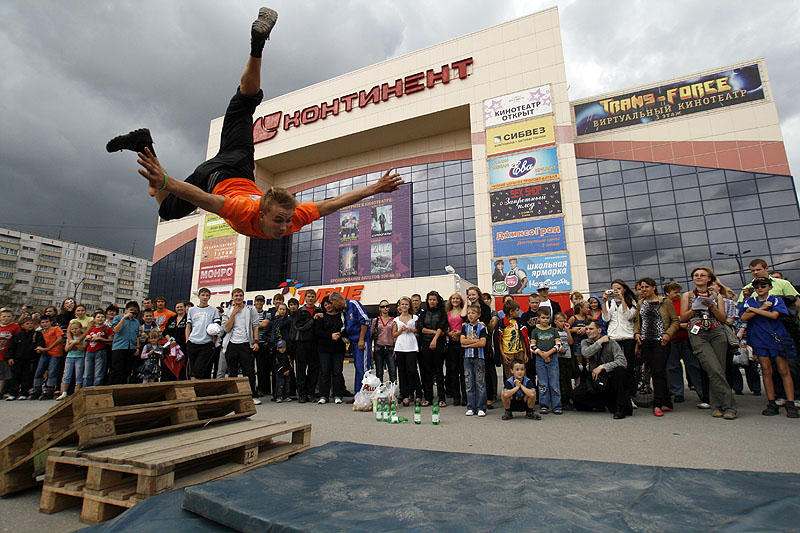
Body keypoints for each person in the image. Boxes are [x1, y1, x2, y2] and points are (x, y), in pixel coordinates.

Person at [108, 8, 403, 240]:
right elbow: (201, 197)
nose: (285, 226)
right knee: (167, 209)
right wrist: (164, 181)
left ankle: (145, 148)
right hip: (218, 174)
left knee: (168, 206)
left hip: (238, 164)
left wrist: (375, 189)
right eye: (279, 221)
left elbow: (329, 205)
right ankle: (257, 44)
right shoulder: (242, 210)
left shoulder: (291, 215)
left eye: (286, 221)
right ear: (261, 213)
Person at [680, 267, 736, 420]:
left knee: (720, 369)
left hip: (716, 332)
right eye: (696, 275)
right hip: (698, 333)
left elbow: (723, 318)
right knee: (712, 367)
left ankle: (716, 405)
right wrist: (694, 308)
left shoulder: (716, 295)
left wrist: (713, 307)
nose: (699, 277)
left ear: (709, 279)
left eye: (702, 275)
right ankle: (729, 405)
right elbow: (683, 317)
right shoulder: (688, 295)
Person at [740, 276, 799, 418]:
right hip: (759, 339)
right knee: (766, 370)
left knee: (784, 370)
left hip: (777, 337)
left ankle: (790, 403)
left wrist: (754, 310)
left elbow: (774, 315)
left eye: (763, 286)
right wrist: (762, 308)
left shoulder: (775, 299)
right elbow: (743, 317)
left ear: (769, 287)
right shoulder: (749, 301)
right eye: (757, 286)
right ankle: (771, 402)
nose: (760, 289)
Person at [634, 277, 679, 417]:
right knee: (654, 370)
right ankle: (666, 401)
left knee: (659, 370)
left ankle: (657, 403)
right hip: (647, 341)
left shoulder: (664, 302)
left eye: (646, 287)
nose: (643, 289)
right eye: (641, 287)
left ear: (653, 287)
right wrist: (637, 333)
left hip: (662, 341)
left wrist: (668, 334)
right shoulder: (641, 303)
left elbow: (675, 321)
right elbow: (637, 321)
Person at [663, 282, 709, 408]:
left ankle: (703, 393)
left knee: (693, 365)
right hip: (672, 340)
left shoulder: (685, 303)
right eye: (675, 292)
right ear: (667, 293)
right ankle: (677, 392)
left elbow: (688, 318)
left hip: (687, 339)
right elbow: (666, 321)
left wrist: (678, 323)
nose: (678, 294)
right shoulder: (664, 304)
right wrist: (679, 323)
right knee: (673, 367)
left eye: (679, 292)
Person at [572, 320, 630, 419]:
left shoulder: (611, 343)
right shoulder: (585, 342)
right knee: (576, 396)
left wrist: (603, 367)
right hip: (595, 379)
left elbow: (622, 361)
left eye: (591, 329)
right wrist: (600, 341)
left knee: (620, 370)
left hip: (610, 378)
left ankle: (621, 408)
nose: (588, 331)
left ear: (599, 330)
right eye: (586, 329)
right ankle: (599, 403)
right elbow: (586, 353)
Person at [222, 288, 261, 405]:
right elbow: (226, 328)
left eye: (240, 295)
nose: (238, 297)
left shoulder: (250, 310)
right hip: (232, 344)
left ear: (243, 297)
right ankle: (234, 396)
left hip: (245, 343)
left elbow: (255, 326)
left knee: (249, 371)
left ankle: (252, 395)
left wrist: (256, 342)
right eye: (236, 295)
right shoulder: (227, 312)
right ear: (232, 297)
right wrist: (233, 314)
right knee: (232, 372)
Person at [602, 279, 637, 407]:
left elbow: (629, 316)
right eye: (614, 289)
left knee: (628, 367)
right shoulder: (611, 302)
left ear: (624, 289)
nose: (616, 291)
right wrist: (604, 301)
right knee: (614, 367)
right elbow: (606, 318)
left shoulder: (631, 301)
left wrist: (622, 299)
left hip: (627, 337)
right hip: (613, 337)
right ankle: (615, 395)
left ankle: (629, 396)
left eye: (618, 288)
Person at [329, 291, 370, 393]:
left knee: (363, 369)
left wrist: (361, 339)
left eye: (332, 303)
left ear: (336, 300)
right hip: (354, 341)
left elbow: (365, 321)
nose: (333, 306)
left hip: (361, 341)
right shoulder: (344, 311)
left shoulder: (354, 304)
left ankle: (365, 395)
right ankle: (358, 395)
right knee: (358, 368)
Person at [464, 286, 498, 408]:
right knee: (471, 374)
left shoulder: (485, 308)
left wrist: (471, 325)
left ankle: (489, 397)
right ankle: (473, 400)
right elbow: (464, 318)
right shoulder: (468, 308)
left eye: (473, 294)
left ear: (478, 295)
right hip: (471, 345)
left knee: (486, 371)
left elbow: (483, 324)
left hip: (483, 342)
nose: (471, 297)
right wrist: (465, 301)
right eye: (469, 295)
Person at [417, 291, 448, 407]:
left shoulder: (442, 313)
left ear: (438, 300)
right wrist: (436, 332)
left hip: (438, 344)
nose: (432, 301)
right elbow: (421, 329)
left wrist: (435, 339)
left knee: (439, 371)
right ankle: (428, 397)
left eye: (434, 299)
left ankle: (441, 398)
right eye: (430, 299)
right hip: (425, 344)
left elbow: (442, 326)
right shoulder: (424, 313)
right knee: (427, 372)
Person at [315, 296, 346, 405]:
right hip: (324, 348)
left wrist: (340, 334)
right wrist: (330, 335)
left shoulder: (341, 316)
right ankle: (324, 395)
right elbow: (317, 332)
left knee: (337, 372)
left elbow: (346, 329)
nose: (328, 306)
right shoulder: (321, 317)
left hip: (338, 348)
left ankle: (337, 395)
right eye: (325, 304)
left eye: (329, 303)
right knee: (325, 372)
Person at [530, 309, 562, 415]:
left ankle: (557, 405)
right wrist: (542, 354)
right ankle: (544, 405)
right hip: (540, 359)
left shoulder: (553, 331)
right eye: (543, 318)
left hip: (552, 358)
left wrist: (548, 353)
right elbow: (532, 346)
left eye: (547, 318)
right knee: (543, 383)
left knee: (554, 383)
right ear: (538, 318)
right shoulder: (535, 331)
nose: (545, 320)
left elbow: (558, 345)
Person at [292, 289, 321, 403]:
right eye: (308, 296)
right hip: (302, 343)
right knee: (300, 369)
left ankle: (311, 393)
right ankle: (302, 394)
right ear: (305, 298)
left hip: (315, 344)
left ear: (315, 298)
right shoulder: (300, 312)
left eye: (312, 296)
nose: (310, 298)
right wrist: (312, 321)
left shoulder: (319, 310)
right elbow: (299, 327)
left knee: (313, 370)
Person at [186, 288, 221, 380]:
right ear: (199, 296)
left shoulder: (213, 310)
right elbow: (188, 326)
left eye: (207, 295)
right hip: (193, 342)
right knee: (192, 369)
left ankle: (197, 389)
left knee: (199, 369)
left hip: (206, 343)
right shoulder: (192, 310)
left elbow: (216, 327)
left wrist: (213, 342)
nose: (205, 297)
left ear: (209, 297)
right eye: (203, 295)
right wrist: (187, 340)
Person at [460, 303, 489, 417]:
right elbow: (462, 341)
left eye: (473, 313)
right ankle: (470, 406)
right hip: (467, 358)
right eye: (469, 313)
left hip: (479, 358)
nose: (471, 315)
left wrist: (468, 343)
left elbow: (482, 343)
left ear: (478, 315)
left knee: (480, 382)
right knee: (469, 382)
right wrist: (473, 342)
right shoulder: (464, 327)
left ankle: (481, 407)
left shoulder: (482, 327)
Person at [6, 317, 43, 400]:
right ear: (22, 325)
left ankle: (24, 393)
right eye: (27, 324)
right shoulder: (17, 335)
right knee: (15, 377)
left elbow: (40, 343)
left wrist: (39, 347)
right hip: (17, 359)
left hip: (30, 360)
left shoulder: (37, 334)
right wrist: (10, 357)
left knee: (26, 377)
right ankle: (13, 393)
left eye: (31, 323)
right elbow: (12, 347)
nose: (30, 325)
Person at [393, 297, 421, 407]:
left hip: (411, 346)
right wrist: (401, 331)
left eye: (406, 304)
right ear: (399, 306)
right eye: (402, 304)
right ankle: (405, 395)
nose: (404, 306)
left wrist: (411, 330)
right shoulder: (396, 319)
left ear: (409, 306)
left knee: (413, 370)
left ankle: (418, 392)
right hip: (400, 347)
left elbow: (419, 330)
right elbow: (393, 334)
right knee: (402, 371)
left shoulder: (415, 318)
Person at [31, 315, 64, 400]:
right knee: (39, 370)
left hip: (55, 353)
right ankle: (37, 388)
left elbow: (60, 339)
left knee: (52, 371)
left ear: (51, 322)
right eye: (43, 322)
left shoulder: (56, 329)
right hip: (45, 353)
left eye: (47, 322)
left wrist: (49, 348)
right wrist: (40, 348)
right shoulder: (41, 332)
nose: (45, 324)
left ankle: (49, 388)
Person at [110, 301, 141, 384]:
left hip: (131, 348)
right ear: (126, 310)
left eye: (135, 310)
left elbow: (137, 335)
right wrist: (124, 318)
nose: (132, 312)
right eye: (131, 310)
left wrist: (137, 347)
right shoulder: (118, 318)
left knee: (127, 371)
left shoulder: (136, 322)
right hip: (119, 347)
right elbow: (116, 330)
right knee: (117, 370)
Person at [497, 299, 527, 380]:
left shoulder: (519, 322)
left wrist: (525, 353)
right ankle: (511, 392)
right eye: (517, 310)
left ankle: (522, 391)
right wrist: (503, 355)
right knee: (510, 376)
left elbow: (522, 337)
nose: (519, 312)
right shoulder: (502, 323)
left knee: (522, 375)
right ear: (511, 311)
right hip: (508, 354)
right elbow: (499, 341)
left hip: (519, 352)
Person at [57, 320, 88, 400]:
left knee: (78, 374)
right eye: (72, 329)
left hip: (80, 357)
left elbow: (82, 348)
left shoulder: (84, 338)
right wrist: (73, 343)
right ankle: (64, 392)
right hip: (70, 357)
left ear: (80, 329)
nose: (74, 330)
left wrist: (76, 343)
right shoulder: (69, 339)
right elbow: (66, 349)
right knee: (67, 374)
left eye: (76, 328)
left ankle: (77, 392)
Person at [444, 293, 466, 406]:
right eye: (453, 298)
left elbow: (467, 324)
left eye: (457, 298)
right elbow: (445, 327)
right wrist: (449, 333)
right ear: (450, 300)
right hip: (452, 343)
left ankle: (465, 397)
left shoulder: (464, 311)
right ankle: (456, 396)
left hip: (462, 343)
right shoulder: (447, 313)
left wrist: (461, 332)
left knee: (463, 371)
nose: (455, 300)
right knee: (453, 371)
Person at [84, 310, 113, 387]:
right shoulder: (91, 329)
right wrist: (88, 338)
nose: (100, 318)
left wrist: (100, 339)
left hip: (101, 351)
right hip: (89, 351)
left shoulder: (107, 329)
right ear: (94, 319)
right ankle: (86, 390)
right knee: (87, 374)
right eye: (98, 317)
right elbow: (86, 340)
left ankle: (96, 390)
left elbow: (111, 341)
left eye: (102, 317)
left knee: (99, 374)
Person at [371, 300, 397, 384]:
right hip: (379, 347)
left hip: (390, 348)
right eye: (382, 306)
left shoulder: (394, 320)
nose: (385, 308)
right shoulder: (376, 320)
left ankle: (392, 392)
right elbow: (371, 334)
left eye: (387, 306)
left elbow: (395, 336)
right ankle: (379, 391)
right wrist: (371, 349)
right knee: (379, 372)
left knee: (392, 371)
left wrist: (395, 348)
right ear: (379, 309)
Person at [554, 312, 574, 410]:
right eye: (560, 321)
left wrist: (568, 331)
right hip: (558, 357)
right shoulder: (554, 332)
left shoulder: (566, 331)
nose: (563, 323)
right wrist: (559, 348)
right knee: (561, 379)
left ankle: (569, 398)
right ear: (555, 322)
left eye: (564, 321)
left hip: (567, 357)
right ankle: (562, 400)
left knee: (567, 378)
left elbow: (570, 342)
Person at [253, 294, 272, 396]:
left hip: (262, 344)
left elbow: (265, 324)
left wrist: (253, 325)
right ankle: (252, 387)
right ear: (255, 302)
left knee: (262, 368)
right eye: (258, 301)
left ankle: (261, 388)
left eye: (261, 301)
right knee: (250, 368)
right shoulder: (250, 313)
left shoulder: (267, 313)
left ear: (264, 302)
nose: (259, 303)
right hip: (251, 344)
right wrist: (257, 325)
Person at [0, 308, 21, 397]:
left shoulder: (15, 327)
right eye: (4, 316)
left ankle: (2, 391)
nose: (6, 318)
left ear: (12, 317)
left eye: (8, 316)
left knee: (4, 375)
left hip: (7, 354)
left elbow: (18, 341)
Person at [568, 300, 590, 375]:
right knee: (579, 367)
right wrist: (574, 330)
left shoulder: (588, 318)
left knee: (588, 366)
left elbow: (594, 326)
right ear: (581, 308)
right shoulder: (573, 318)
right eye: (587, 308)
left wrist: (585, 328)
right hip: (577, 343)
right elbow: (566, 329)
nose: (588, 310)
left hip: (587, 343)